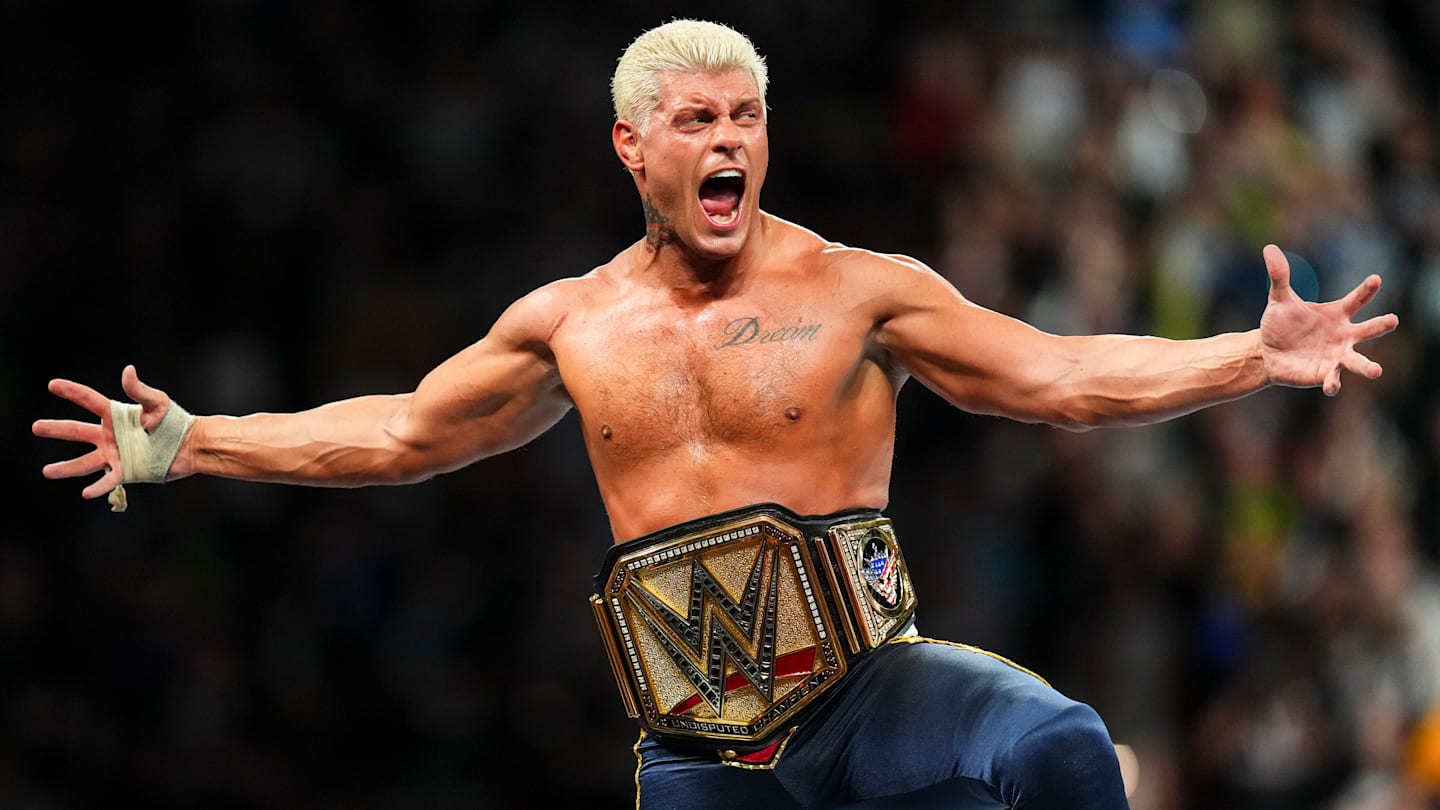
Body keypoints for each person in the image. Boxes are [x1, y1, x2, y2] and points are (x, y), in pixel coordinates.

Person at [33, 18, 1398, 810]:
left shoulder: (861, 293)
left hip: (874, 693)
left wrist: (1244, 359)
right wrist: (198, 440)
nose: (732, 139)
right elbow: (399, 434)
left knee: (1058, 745)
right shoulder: (567, 322)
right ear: (635, 147)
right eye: (698, 118)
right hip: (699, 753)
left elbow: (1052, 376)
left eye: (749, 115)